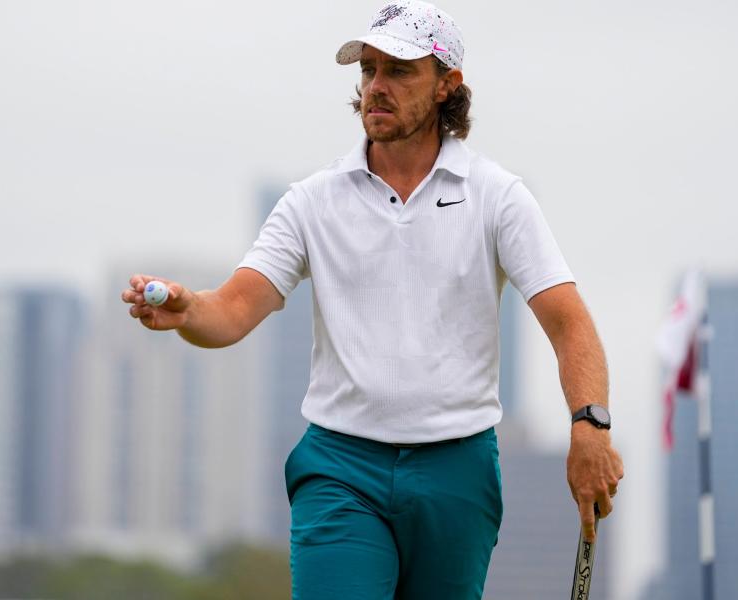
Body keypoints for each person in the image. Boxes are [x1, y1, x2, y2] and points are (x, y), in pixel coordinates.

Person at [121, 1, 624, 598]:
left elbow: (569, 324)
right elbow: (231, 310)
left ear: (447, 86)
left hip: (456, 471)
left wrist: (590, 427)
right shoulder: (311, 201)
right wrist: (187, 311)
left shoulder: (498, 197)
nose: (375, 87)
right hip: (340, 467)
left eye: (398, 71)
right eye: (368, 71)